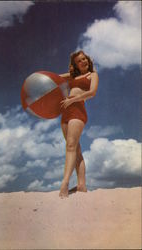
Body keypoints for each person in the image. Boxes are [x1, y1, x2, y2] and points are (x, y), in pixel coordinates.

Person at [59, 50, 99, 198]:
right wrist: (70, 71)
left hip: (77, 109)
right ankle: (81, 185)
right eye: (79, 61)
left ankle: (65, 183)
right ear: (75, 65)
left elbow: (92, 92)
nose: (83, 62)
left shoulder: (92, 75)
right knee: (76, 150)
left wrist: (73, 99)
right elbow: (56, 78)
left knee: (70, 146)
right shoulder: (73, 76)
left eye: (84, 59)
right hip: (65, 111)